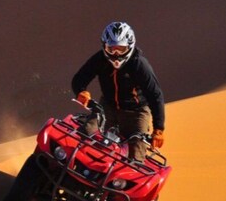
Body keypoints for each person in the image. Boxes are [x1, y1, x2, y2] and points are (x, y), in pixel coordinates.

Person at [71, 21, 165, 161]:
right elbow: (79, 79)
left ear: (130, 46)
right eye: (111, 48)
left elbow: (155, 95)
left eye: (121, 49)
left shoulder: (139, 64)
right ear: (104, 46)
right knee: (84, 134)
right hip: (106, 107)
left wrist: (158, 129)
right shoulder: (100, 59)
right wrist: (81, 92)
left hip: (136, 112)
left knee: (136, 155)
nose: (115, 53)